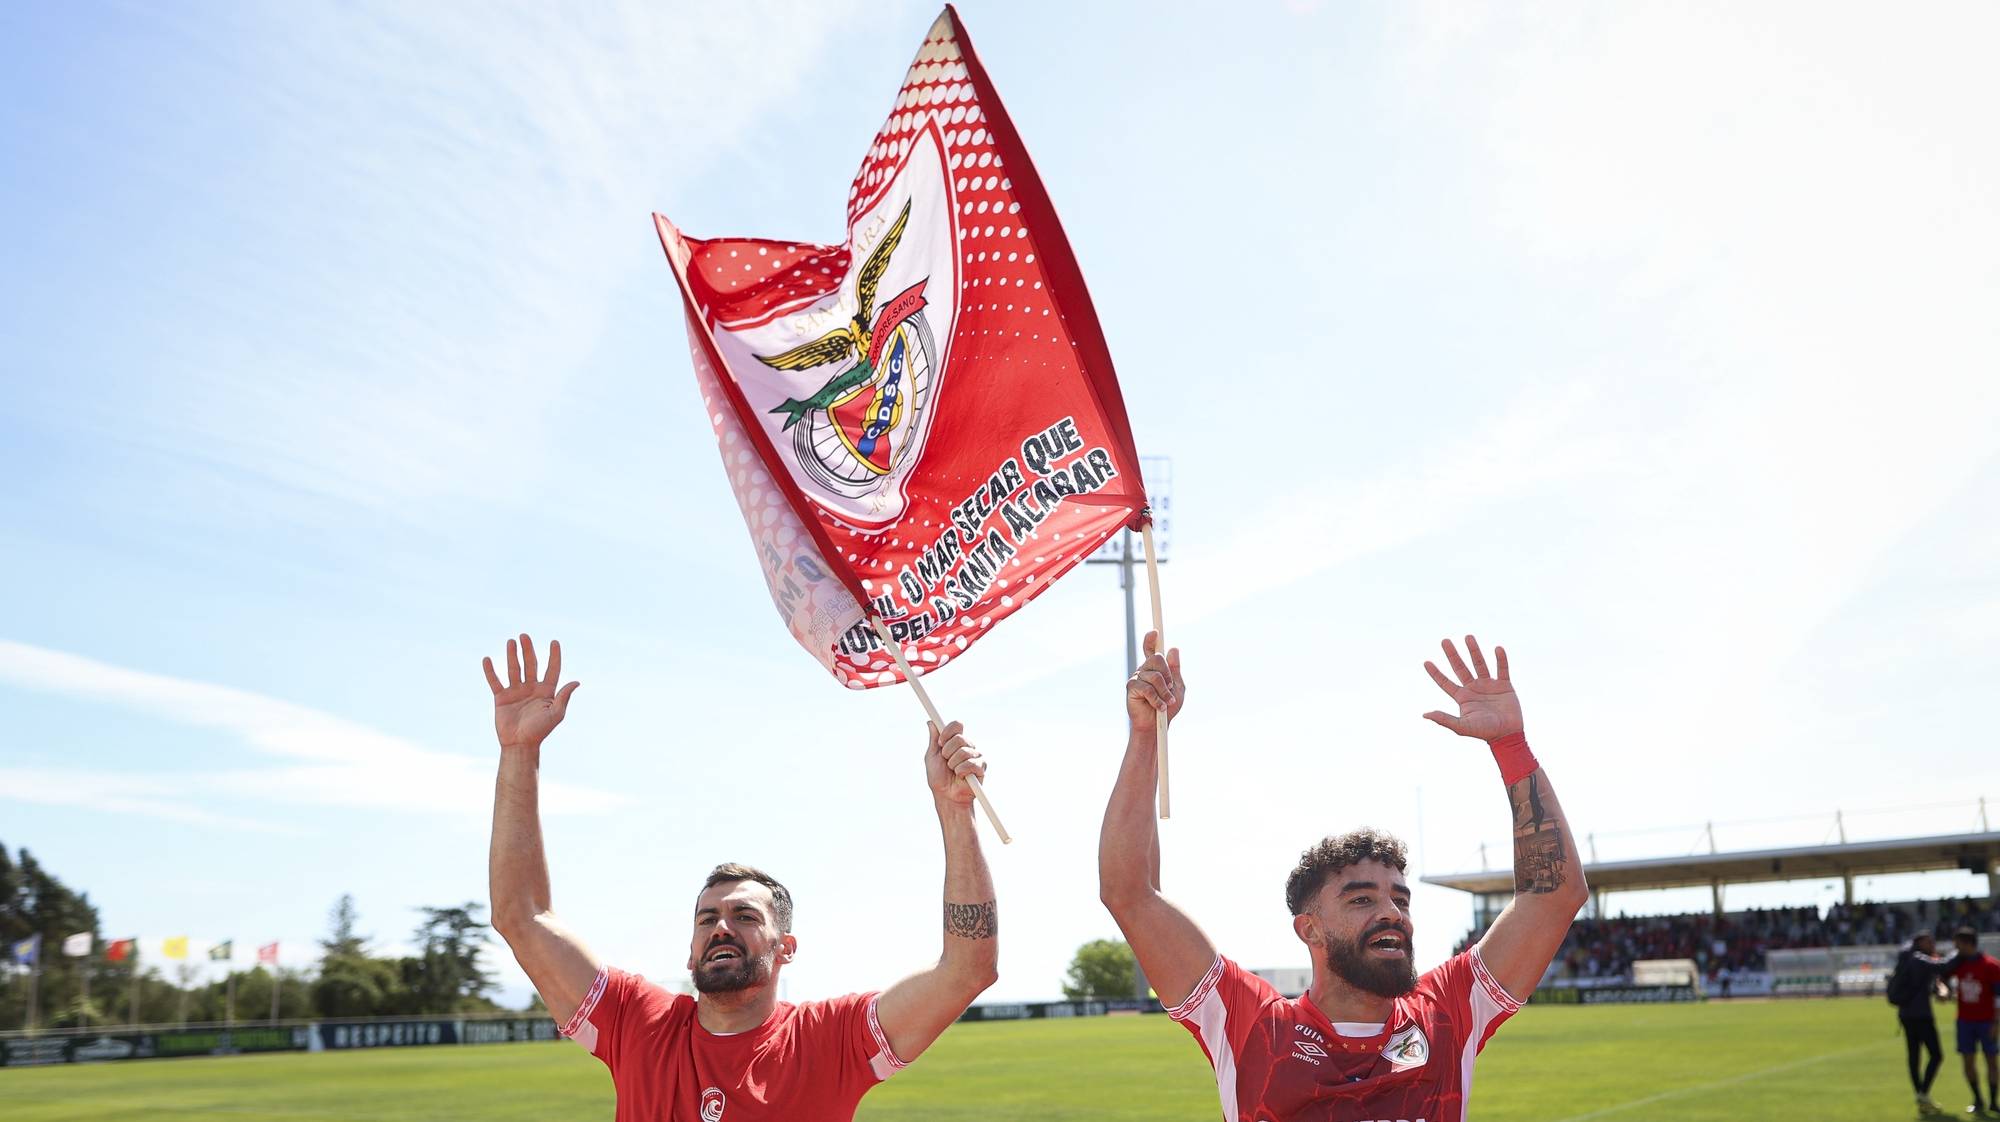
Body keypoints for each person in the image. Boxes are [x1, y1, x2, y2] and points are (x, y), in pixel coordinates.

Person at [483, 634, 998, 1121]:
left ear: (786, 947)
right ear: (690, 951)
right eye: (707, 919)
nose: (721, 928)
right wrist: (519, 753)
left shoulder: (829, 1040)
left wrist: (955, 811)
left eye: (744, 915)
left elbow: (967, 969)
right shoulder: (637, 1024)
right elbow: (521, 917)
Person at [1099, 633, 1588, 1122]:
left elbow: (1553, 897)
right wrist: (1145, 736)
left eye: (1401, 898)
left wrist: (1510, 745)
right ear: (1308, 928)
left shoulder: (1448, 1012)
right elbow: (1131, 893)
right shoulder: (1250, 1024)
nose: (1391, 913)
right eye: (1361, 900)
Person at [1892, 931, 1953, 1115]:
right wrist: (1958, 953)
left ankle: (1921, 1096)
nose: (1932, 944)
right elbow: (1943, 967)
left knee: (1914, 1056)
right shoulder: (1918, 958)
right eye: (1929, 941)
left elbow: (1931, 982)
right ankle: (1923, 1094)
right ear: (1919, 943)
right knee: (1935, 1055)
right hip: (1920, 1015)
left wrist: (1940, 990)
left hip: (1906, 1014)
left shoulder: (1909, 959)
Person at [1947, 926, 2000, 1116]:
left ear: (1968, 944)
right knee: (1968, 1062)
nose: (1956, 948)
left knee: (1991, 1061)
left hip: (1987, 1021)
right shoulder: (1957, 964)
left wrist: (1996, 1023)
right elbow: (1942, 979)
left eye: (1958, 945)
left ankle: (1994, 1102)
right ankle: (1978, 1099)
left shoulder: (1991, 965)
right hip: (1965, 1021)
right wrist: (1943, 991)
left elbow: (1998, 997)